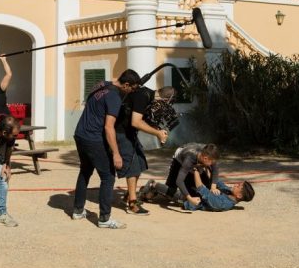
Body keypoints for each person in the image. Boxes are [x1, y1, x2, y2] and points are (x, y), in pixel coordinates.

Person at [71, 69, 141, 229]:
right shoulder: (114, 97)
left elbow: (96, 102)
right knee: (108, 177)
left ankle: (78, 210)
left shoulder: (101, 84)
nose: (132, 92)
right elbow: (109, 127)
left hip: (80, 134)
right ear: (126, 85)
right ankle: (104, 219)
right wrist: (116, 154)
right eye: (132, 88)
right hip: (93, 139)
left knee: (85, 171)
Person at [115, 84, 168, 215]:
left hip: (129, 133)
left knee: (140, 162)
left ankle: (128, 196)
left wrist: (158, 129)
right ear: (163, 99)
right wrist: (157, 133)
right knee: (132, 167)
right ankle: (132, 204)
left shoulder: (148, 97)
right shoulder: (142, 96)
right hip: (121, 132)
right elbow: (136, 122)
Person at [140, 143, 219, 209]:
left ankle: (189, 189)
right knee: (171, 192)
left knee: (204, 189)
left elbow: (215, 169)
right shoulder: (189, 159)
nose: (213, 165)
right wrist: (190, 199)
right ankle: (154, 186)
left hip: (195, 161)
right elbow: (179, 181)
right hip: (179, 161)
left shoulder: (209, 153)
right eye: (211, 163)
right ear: (205, 159)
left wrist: (213, 187)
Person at [149, 166, 255, 212]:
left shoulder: (223, 204)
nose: (236, 184)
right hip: (193, 192)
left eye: (238, 186)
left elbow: (201, 188)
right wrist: (206, 167)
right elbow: (215, 181)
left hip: (188, 201)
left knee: (157, 185)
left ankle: (147, 192)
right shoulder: (228, 191)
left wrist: (196, 170)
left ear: (239, 195)